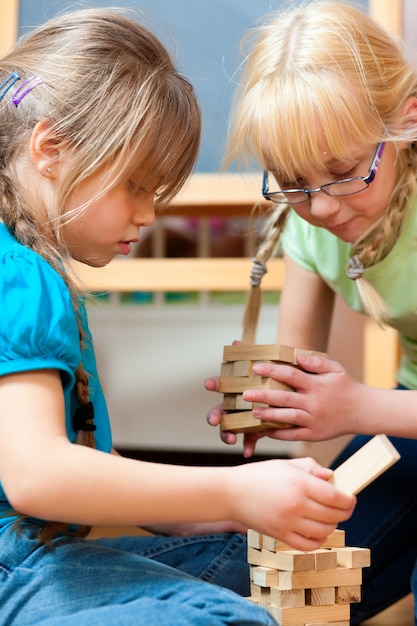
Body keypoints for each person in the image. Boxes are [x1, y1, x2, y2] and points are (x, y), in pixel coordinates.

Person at [0, 7, 356, 626]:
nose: (148, 215)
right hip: (17, 564)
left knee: (234, 553)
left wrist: (238, 506)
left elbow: (65, 473)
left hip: (30, 554)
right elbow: (37, 476)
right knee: (234, 618)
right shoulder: (25, 278)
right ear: (50, 149)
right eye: (136, 186)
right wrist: (234, 490)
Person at [205, 2, 417, 624]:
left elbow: (356, 406)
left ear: (407, 120)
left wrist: (357, 408)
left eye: (344, 174)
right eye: (294, 182)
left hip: (395, 413)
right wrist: (271, 406)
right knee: (298, 580)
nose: (321, 207)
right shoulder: (315, 223)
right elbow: (297, 363)